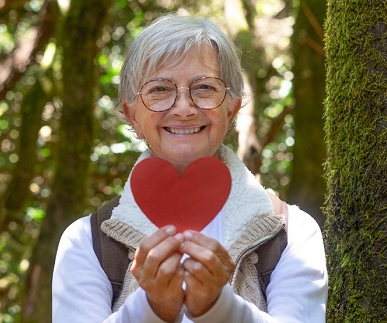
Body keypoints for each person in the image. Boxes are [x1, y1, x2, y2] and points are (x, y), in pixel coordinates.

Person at [52, 14, 327, 322]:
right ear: (132, 117)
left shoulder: (292, 232)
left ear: (231, 109)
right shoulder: (87, 242)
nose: (183, 108)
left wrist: (218, 308)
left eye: (204, 87)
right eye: (159, 90)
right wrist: (151, 308)